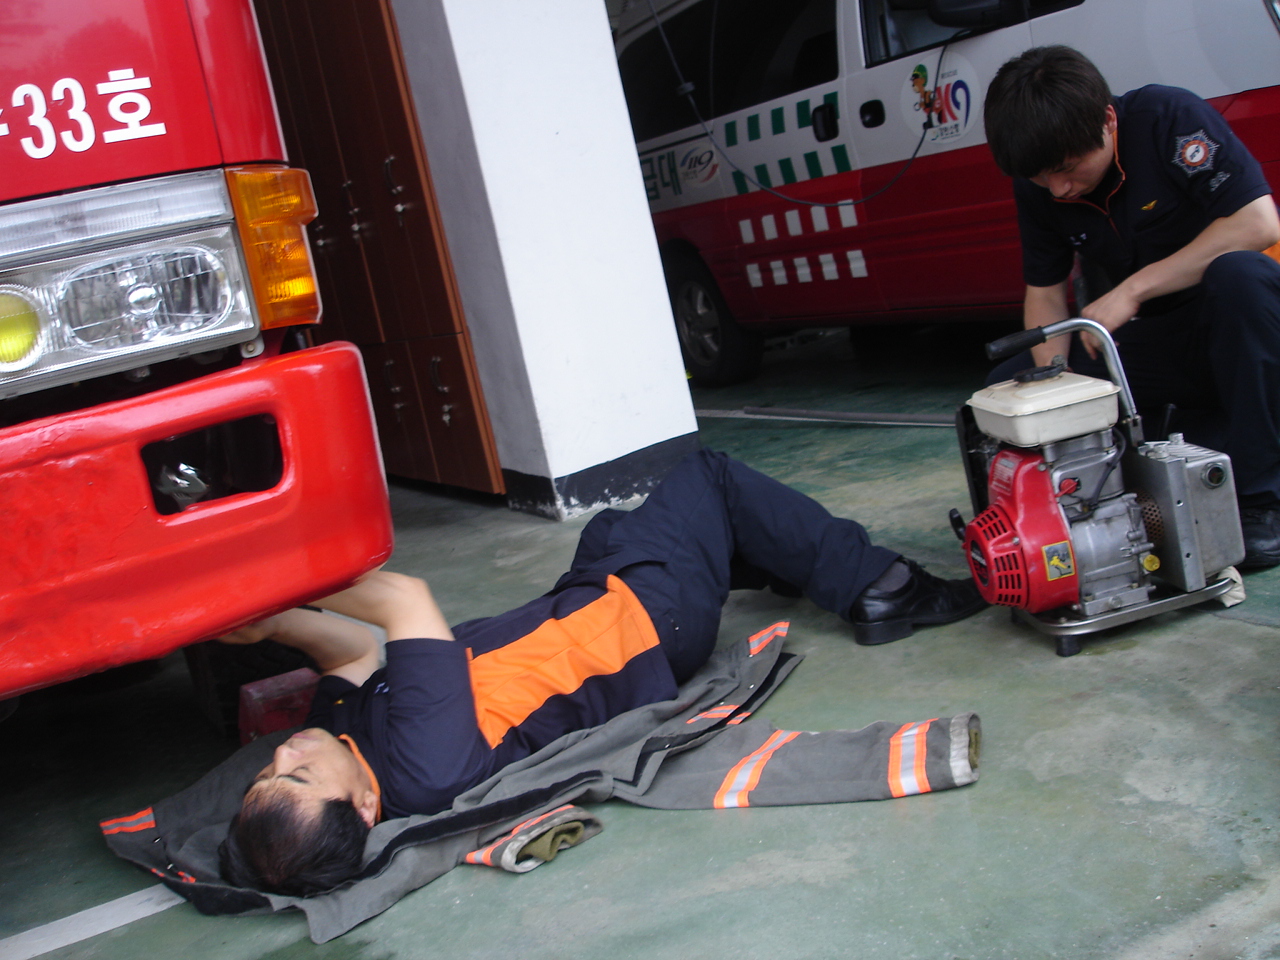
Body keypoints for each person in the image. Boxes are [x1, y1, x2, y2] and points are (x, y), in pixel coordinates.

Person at [216, 448, 985, 896]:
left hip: (581, 603)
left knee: (615, 526)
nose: (287, 753)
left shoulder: (344, 741)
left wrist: (270, 622)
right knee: (708, 477)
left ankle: (757, 552)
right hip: (645, 622)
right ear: (362, 808)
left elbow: (350, 655)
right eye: (297, 775)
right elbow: (403, 602)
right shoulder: (421, 766)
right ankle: (883, 589)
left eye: (269, 772)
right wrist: (280, 575)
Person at [982, 45, 1280, 567]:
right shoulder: (1042, 182)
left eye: (1067, 169)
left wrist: (1132, 290)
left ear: (1108, 120)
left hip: (1240, 328)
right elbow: (1046, 294)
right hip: (1156, 342)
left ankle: (1262, 500)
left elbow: (1257, 224)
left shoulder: (1169, 120)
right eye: (1042, 178)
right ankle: (1077, 502)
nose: (1059, 188)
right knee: (1010, 385)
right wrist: (1054, 393)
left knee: (1239, 277)